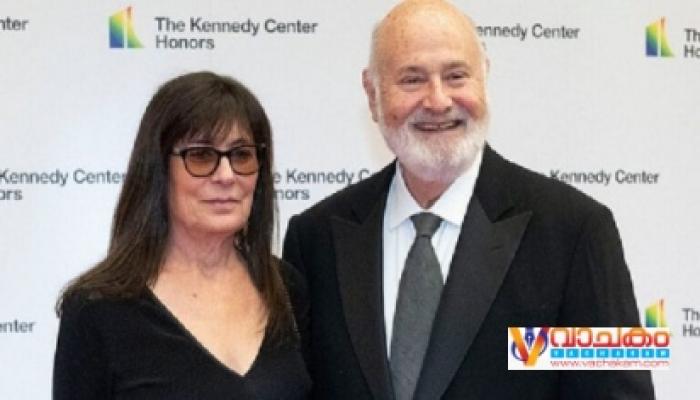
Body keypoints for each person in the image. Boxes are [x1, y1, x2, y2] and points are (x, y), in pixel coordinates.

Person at [282, 1, 654, 399]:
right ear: (372, 94)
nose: (438, 100)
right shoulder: (315, 240)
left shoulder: (576, 230)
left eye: (456, 76)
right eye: (412, 80)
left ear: (484, 79)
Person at [53, 71, 310, 399]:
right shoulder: (97, 309)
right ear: (159, 168)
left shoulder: (286, 288)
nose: (226, 175)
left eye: (241, 155)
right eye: (201, 156)